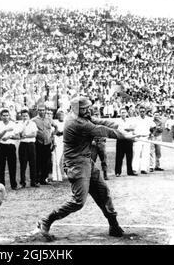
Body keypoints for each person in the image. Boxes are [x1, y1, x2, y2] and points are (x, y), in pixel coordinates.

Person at [35, 96, 135, 240]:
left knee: (103, 192)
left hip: (87, 162)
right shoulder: (76, 122)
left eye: (88, 107)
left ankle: (113, 225)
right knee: (78, 201)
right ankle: (46, 220)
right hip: (76, 164)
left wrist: (119, 127)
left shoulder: (83, 116)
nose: (88, 110)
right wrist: (124, 136)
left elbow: (99, 121)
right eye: (84, 108)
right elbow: (100, 130)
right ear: (76, 109)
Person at [0, 108, 19, 190]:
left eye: (7, 115)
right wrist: (5, 130)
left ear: (9, 116)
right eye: (3, 116)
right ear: (1, 116)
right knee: (1, 166)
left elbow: (18, 136)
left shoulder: (14, 124)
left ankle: (13, 184)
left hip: (11, 146)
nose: (5, 117)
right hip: (1, 146)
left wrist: (9, 136)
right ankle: (1, 186)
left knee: (12, 166)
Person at [32, 104, 58, 185]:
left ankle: (44, 179)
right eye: (40, 110)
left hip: (47, 142)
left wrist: (53, 134)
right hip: (38, 143)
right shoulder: (34, 120)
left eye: (43, 110)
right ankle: (37, 179)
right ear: (37, 111)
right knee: (38, 161)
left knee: (46, 161)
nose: (41, 111)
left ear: (45, 111)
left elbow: (56, 127)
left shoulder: (49, 119)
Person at [17, 109, 39, 188]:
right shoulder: (20, 124)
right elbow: (19, 134)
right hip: (23, 145)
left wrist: (25, 135)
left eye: (26, 116)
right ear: (21, 116)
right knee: (23, 164)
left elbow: (34, 134)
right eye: (23, 116)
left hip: (31, 144)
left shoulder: (33, 123)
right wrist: (24, 126)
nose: (25, 117)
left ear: (29, 116)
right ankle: (23, 182)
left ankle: (33, 181)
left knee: (33, 164)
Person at [131, 106, 155, 175]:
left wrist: (151, 134)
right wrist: (133, 136)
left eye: (143, 111)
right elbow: (132, 128)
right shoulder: (135, 119)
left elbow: (153, 127)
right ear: (139, 112)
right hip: (138, 138)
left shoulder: (149, 119)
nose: (142, 113)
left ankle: (143, 169)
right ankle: (135, 169)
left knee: (146, 154)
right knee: (137, 154)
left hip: (146, 138)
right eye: (141, 111)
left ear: (145, 112)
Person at [115, 108, 135, 177]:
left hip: (129, 140)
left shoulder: (129, 120)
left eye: (124, 112)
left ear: (126, 113)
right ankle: (118, 172)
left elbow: (132, 128)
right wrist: (127, 129)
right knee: (119, 156)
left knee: (129, 156)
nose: (123, 114)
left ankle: (130, 171)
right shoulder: (117, 121)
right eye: (122, 112)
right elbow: (119, 130)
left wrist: (127, 129)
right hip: (121, 140)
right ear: (120, 113)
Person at [90, 108, 110, 180]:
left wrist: (104, 139)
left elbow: (107, 131)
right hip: (94, 143)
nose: (97, 116)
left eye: (98, 114)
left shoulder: (102, 123)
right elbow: (88, 133)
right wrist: (91, 140)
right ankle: (92, 175)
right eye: (95, 115)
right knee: (92, 160)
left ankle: (105, 174)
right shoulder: (91, 124)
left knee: (104, 159)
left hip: (101, 142)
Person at [51, 109, 65, 182]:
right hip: (57, 142)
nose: (61, 116)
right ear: (57, 116)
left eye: (62, 115)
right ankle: (56, 176)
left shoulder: (66, 123)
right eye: (59, 115)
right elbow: (53, 133)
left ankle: (66, 175)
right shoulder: (55, 123)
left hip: (65, 142)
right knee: (56, 159)